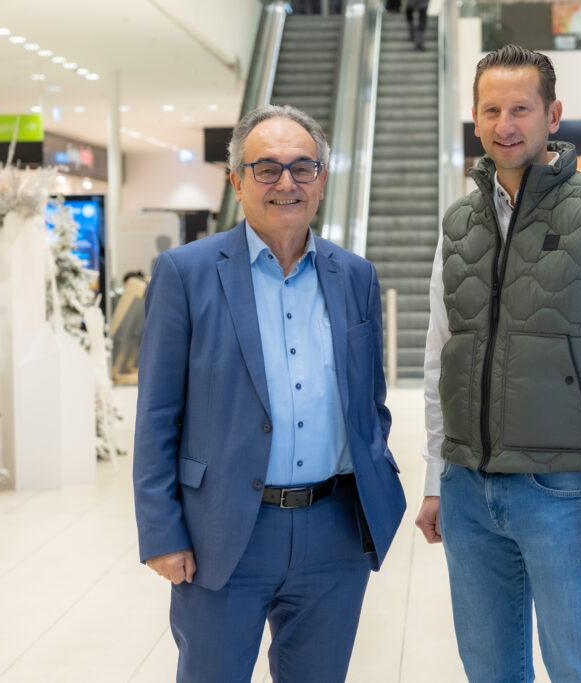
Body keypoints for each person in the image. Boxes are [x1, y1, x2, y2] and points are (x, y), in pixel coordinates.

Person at [414, 45, 581, 682]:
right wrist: (438, 477)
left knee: (579, 666)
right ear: (475, 119)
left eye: (521, 109)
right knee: (489, 668)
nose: (506, 125)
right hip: (469, 488)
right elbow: (442, 357)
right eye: (491, 110)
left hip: (563, 490)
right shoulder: (458, 222)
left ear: (552, 115)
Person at [133, 104, 406, 683]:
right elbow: (157, 415)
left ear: (321, 181)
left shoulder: (356, 276)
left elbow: (370, 403)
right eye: (267, 168)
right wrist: (161, 531)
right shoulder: (186, 273)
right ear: (237, 182)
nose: (287, 183)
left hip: (334, 531)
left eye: (303, 168)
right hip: (223, 529)